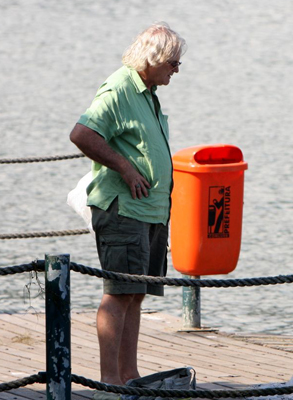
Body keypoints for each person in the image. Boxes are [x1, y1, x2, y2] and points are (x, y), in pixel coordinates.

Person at [69, 22, 186, 398]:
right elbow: (82, 134)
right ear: (152, 59)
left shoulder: (149, 92)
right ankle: (109, 381)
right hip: (123, 210)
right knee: (118, 292)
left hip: (150, 211)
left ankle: (128, 375)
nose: (176, 69)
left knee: (135, 295)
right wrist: (124, 167)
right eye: (172, 61)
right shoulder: (120, 87)